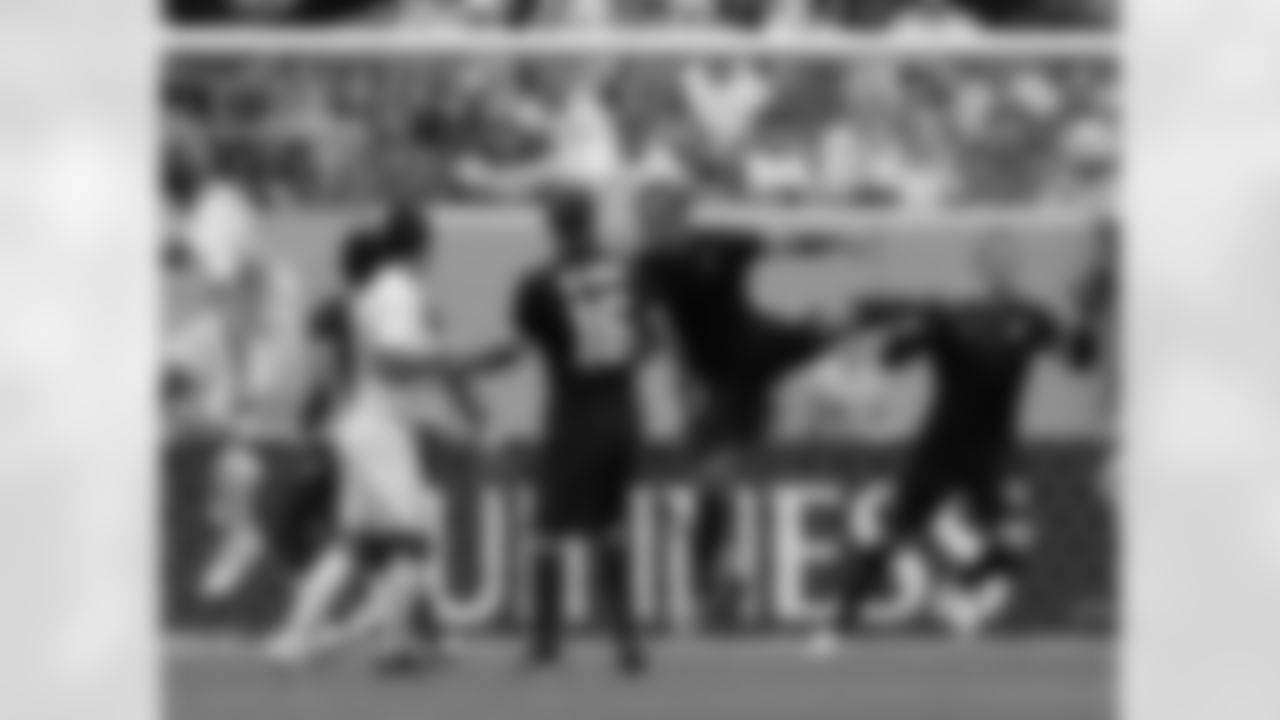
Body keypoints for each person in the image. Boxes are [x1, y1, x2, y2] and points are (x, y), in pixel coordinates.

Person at [820, 230, 1106, 644]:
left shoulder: (1032, 317)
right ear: (982, 265)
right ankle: (836, 626)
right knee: (892, 530)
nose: (1003, 264)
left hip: (989, 452)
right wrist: (870, 356)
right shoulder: (952, 316)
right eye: (995, 256)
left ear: (1015, 264)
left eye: (1009, 255)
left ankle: (958, 590)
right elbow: (896, 354)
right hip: (940, 447)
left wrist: (1087, 319)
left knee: (1017, 537)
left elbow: (1080, 360)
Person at [633, 182, 871, 630]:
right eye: (642, 218)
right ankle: (711, 584)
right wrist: (683, 383)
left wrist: (842, 241)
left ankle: (713, 580)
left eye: (652, 216)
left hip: (760, 348)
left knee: (841, 324)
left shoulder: (720, 244)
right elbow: (660, 326)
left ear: (679, 215)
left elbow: (785, 243)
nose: (644, 226)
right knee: (714, 479)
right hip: (724, 383)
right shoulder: (648, 266)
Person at [266, 205, 480, 670]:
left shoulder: (378, 294)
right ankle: (389, 641)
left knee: (360, 544)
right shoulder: (399, 292)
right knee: (412, 540)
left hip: (360, 426)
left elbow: (359, 365)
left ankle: (299, 639)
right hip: (380, 429)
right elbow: (392, 359)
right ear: (423, 245)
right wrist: (454, 368)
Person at [465, 189, 652, 674]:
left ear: (552, 227)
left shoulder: (539, 283)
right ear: (592, 220)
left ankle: (546, 642)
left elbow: (514, 350)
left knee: (547, 530)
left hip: (574, 417)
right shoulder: (628, 273)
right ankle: (627, 641)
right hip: (625, 414)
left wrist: (463, 366)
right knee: (610, 525)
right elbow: (649, 341)